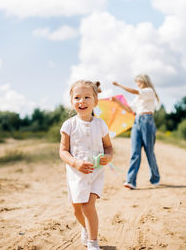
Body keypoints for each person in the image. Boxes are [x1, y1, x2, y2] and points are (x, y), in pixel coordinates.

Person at [59, 80, 113, 250]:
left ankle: (93, 242)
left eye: (86, 97)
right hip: (76, 174)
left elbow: (108, 147)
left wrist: (108, 157)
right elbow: (63, 151)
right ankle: (85, 228)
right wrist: (75, 162)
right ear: (72, 102)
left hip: (95, 172)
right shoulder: (69, 125)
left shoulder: (101, 124)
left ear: (95, 101)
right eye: (77, 97)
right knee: (77, 209)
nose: (81, 101)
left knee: (88, 206)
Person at [112, 74, 160, 189]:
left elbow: (134, 91)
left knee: (149, 152)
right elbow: (130, 109)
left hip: (147, 121)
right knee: (135, 152)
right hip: (137, 121)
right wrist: (117, 102)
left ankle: (155, 177)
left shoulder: (149, 91)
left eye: (138, 82)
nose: (137, 84)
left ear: (143, 81)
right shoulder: (138, 97)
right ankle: (131, 181)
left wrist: (119, 85)